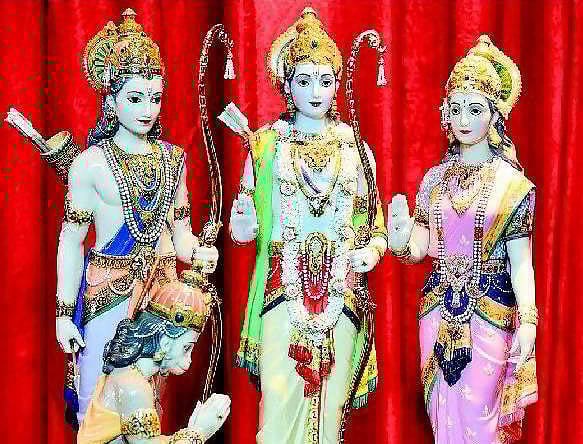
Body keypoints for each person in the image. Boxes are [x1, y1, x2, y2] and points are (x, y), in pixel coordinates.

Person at [229, 8, 387, 443]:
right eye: (303, 81)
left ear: (337, 84)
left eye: (324, 80)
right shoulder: (265, 146)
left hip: (341, 295)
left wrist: (371, 251)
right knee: (277, 408)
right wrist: (243, 223)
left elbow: (375, 228)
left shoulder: (357, 150)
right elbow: (243, 230)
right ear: (286, 85)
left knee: (330, 414)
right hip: (282, 293)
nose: (316, 92)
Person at [54, 9, 218, 426]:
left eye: (155, 98)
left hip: (160, 299)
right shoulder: (90, 164)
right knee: (98, 401)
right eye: (135, 98)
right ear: (110, 99)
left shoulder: (173, 160)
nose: (148, 109)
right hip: (108, 292)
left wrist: (200, 251)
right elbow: (71, 240)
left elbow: (181, 236)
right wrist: (63, 313)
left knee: (148, 405)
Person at [389, 35, 538, 443]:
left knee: (480, 417)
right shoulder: (434, 180)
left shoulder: (512, 186)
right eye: (455, 109)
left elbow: (522, 263)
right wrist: (399, 238)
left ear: (495, 115)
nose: (464, 120)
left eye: (475, 109)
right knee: (443, 416)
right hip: (437, 313)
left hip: (490, 316)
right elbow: (420, 248)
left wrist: (528, 321)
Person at [77, 273, 231, 443]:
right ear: (165, 343)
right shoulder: (134, 387)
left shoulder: (132, 374)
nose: (189, 360)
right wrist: (199, 432)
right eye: (186, 348)